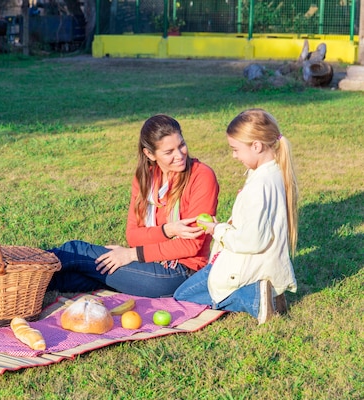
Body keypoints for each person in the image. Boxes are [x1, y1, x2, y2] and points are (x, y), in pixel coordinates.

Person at [45, 114, 219, 298]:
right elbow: (133, 236)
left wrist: (131, 255)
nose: (180, 155)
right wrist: (168, 230)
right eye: (169, 152)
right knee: (73, 278)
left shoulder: (201, 176)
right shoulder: (146, 178)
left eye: (181, 145)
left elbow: (190, 246)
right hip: (150, 263)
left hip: (179, 273)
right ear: (149, 154)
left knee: (77, 251)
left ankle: (20, 264)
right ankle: (21, 286)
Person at [173, 108, 298, 325]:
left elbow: (252, 240)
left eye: (236, 149)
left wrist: (217, 230)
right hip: (260, 263)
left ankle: (255, 298)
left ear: (256, 146)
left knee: (182, 296)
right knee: (197, 288)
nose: (234, 156)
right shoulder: (274, 172)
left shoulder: (258, 187)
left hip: (244, 264)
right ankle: (265, 293)